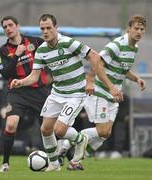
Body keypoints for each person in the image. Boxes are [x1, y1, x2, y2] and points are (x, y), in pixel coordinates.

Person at [11, 13, 100, 171]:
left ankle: (80, 139)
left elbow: (94, 56)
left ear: (56, 28)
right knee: (45, 129)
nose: (45, 31)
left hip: (76, 93)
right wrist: (21, 82)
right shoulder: (41, 50)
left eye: (48, 28)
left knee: (59, 130)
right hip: (57, 93)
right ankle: (53, 164)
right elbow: (34, 77)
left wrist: (90, 80)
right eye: (42, 29)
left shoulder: (68, 42)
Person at [58, 14, 147, 163]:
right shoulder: (117, 45)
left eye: (142, 29)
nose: (139, 31)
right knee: (102, 131)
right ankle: (66, 143)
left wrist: (137, 79)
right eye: (136, 28)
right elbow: (97, 62)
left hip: (113, 94)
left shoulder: (134, 48)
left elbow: (122, 69)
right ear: (129, 29)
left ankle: (75, 161)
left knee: (105, 134)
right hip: (101, 91)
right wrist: (91, 81)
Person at [0, 16, 49, 173]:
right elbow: (5, 74)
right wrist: (17, 55)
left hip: (38, 91)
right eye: (5, 27)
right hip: (17, 92)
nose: (8, 28)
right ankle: (5, 163)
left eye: (10, 25)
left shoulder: (35, 42)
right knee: (11, 124)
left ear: (18, 26)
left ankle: (68, 159)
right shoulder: (3, 50)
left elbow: (50, 57)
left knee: (49, 128)